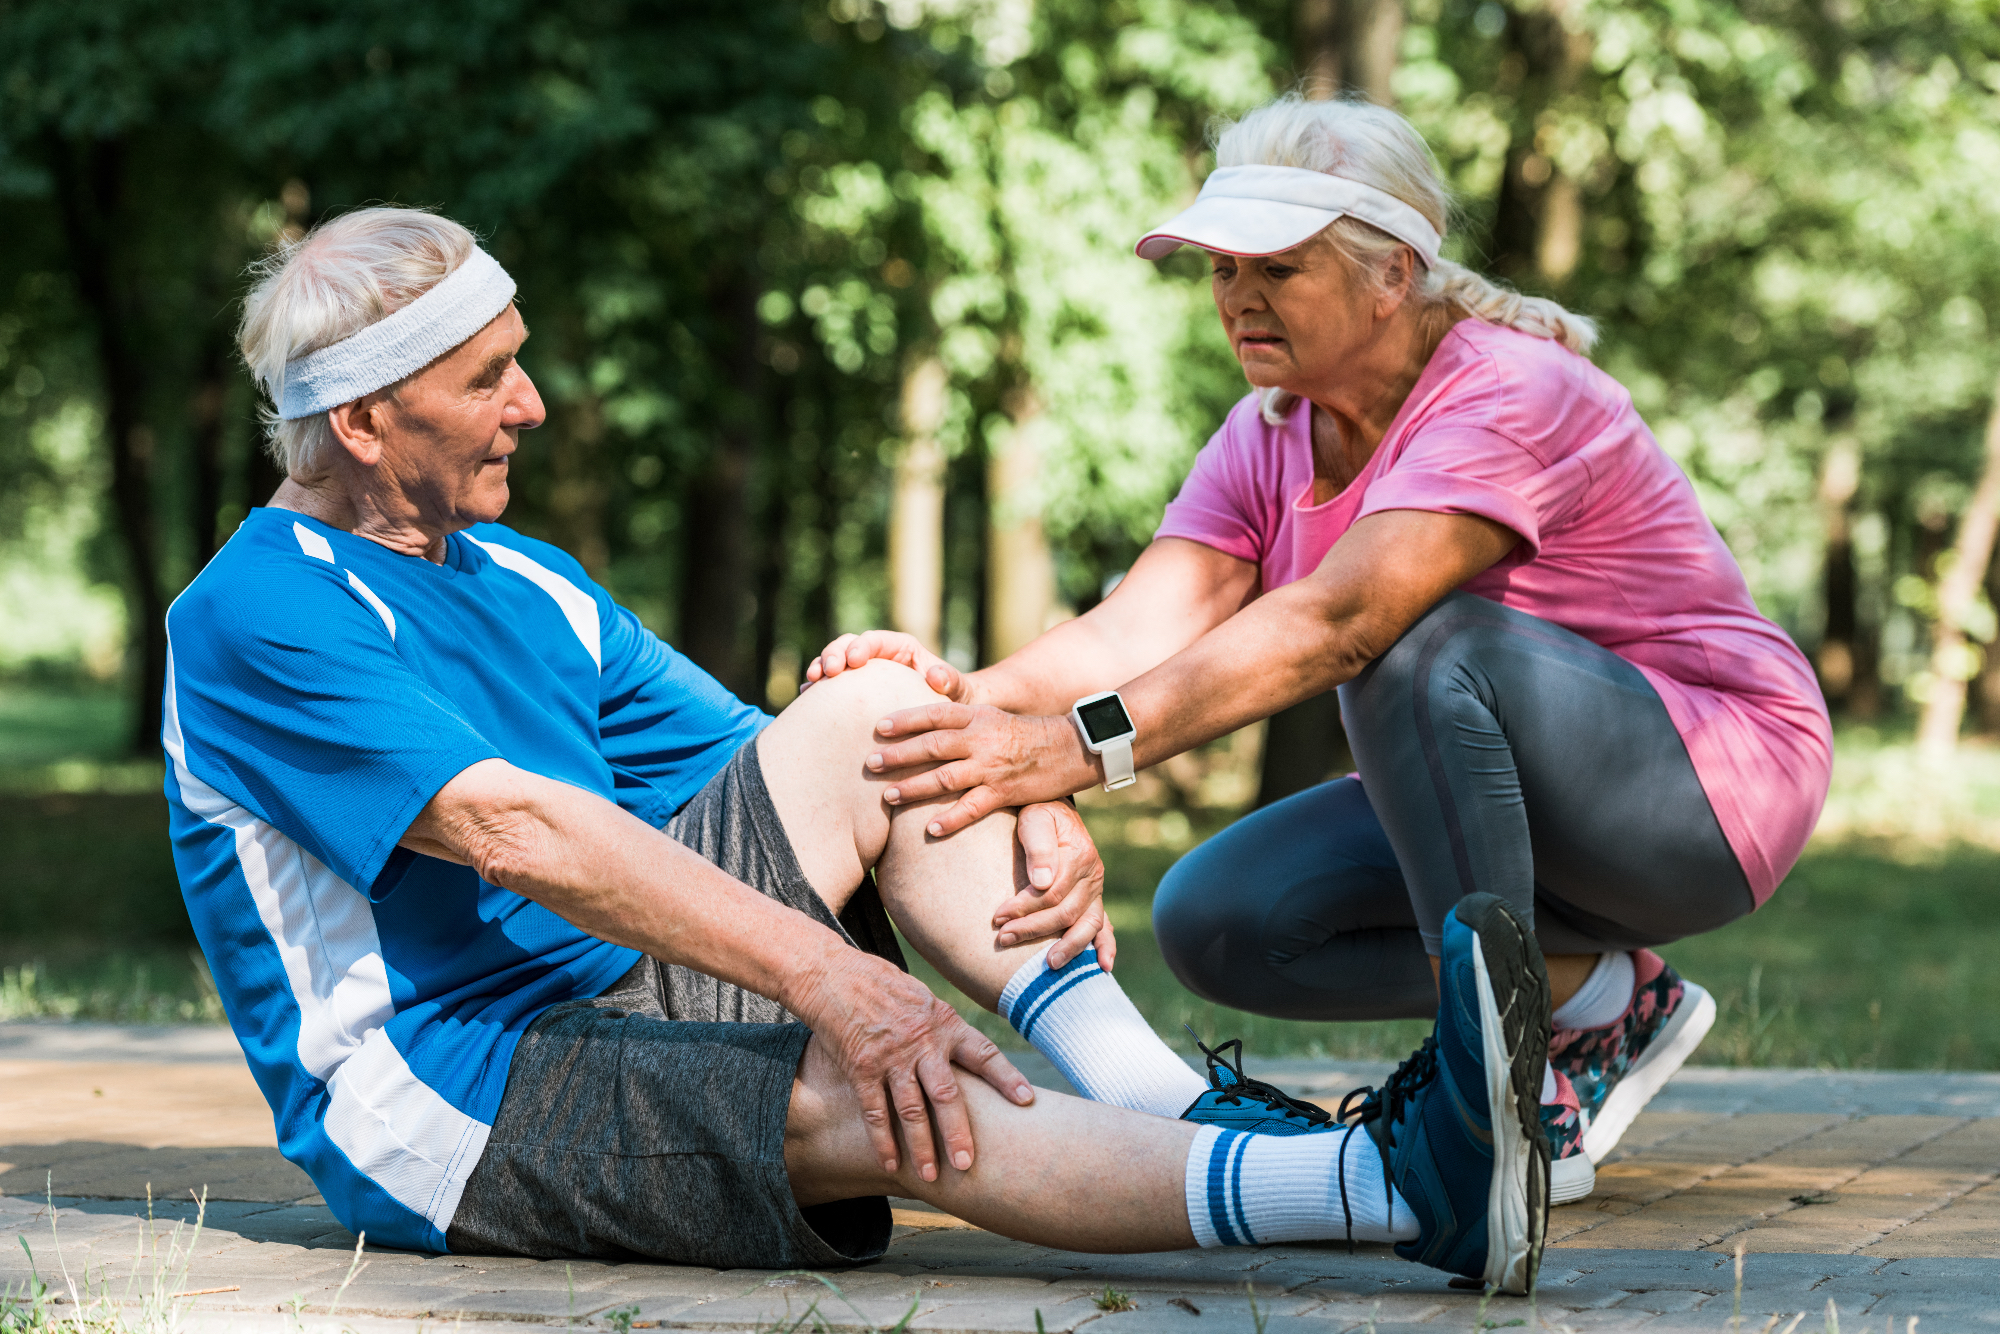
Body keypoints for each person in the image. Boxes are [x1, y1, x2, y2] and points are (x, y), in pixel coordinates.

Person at [162, 206, 1548, 1293]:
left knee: (888, 712)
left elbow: (798, 762)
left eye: (518, 359)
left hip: (636, 982)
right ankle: (1400, 1187)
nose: (531, 403)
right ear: (359, 420)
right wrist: (840, 982)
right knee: (894, 1092)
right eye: (489, 379)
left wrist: (1019, 773)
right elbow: (528, 832)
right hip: (450, 1089)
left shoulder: (519, 572)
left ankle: (1170, 1098)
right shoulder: (257, 613)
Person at [805, 95, 1834, 1216]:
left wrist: (1069, 752)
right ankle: (1600, 1001)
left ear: (1391, 272)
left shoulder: (1507, 389)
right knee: (1220, 917)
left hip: (1707, 783)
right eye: (1217, 269)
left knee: (1408, 644)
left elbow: (1340, 620)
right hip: (1494, 780)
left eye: (1276, 268)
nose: (1237, 296)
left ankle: (1491, 1091)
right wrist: (953, 700)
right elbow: (1141, 621)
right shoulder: (1268, 430)